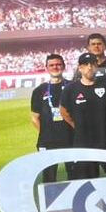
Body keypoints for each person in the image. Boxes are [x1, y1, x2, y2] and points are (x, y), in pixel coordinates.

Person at [58, 53, 106, 178]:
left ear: (96, 66)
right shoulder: (70, 89)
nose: (89, 67)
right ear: (80, 68)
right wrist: (76, 125)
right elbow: (64, 111)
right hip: (84, 142)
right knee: (89, 181)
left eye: (92, 64)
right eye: (85, 65)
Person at [29, 54, 73, 182]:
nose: (55, 67)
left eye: (58, 64)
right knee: (49, 179)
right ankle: (51, 202)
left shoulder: (72, 86)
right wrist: (46, 134)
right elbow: (34, 118)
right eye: (52, 65)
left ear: (64, 66)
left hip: (71, 139)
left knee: (74, 176)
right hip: (47, 142)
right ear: (46, 68)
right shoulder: (39, 90)